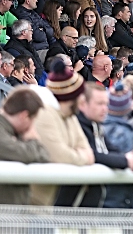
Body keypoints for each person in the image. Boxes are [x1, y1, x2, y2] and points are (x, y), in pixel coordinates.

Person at [58, 82, 133, 208]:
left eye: (106, 104)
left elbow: (110, 150)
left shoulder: (96, 125)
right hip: (71, 210)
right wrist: (126, 161)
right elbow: (93, 154)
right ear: (83, 104)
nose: (105, 108)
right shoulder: (76, 126)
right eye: (100, 104)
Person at [31, 61, 95, 206]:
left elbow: (87, 151)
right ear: (73, 96)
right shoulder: (44, 115)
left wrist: (80, 155)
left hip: (53, 202)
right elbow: (60, 156)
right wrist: (81, 156)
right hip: (36, 205)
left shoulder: (71, 116)